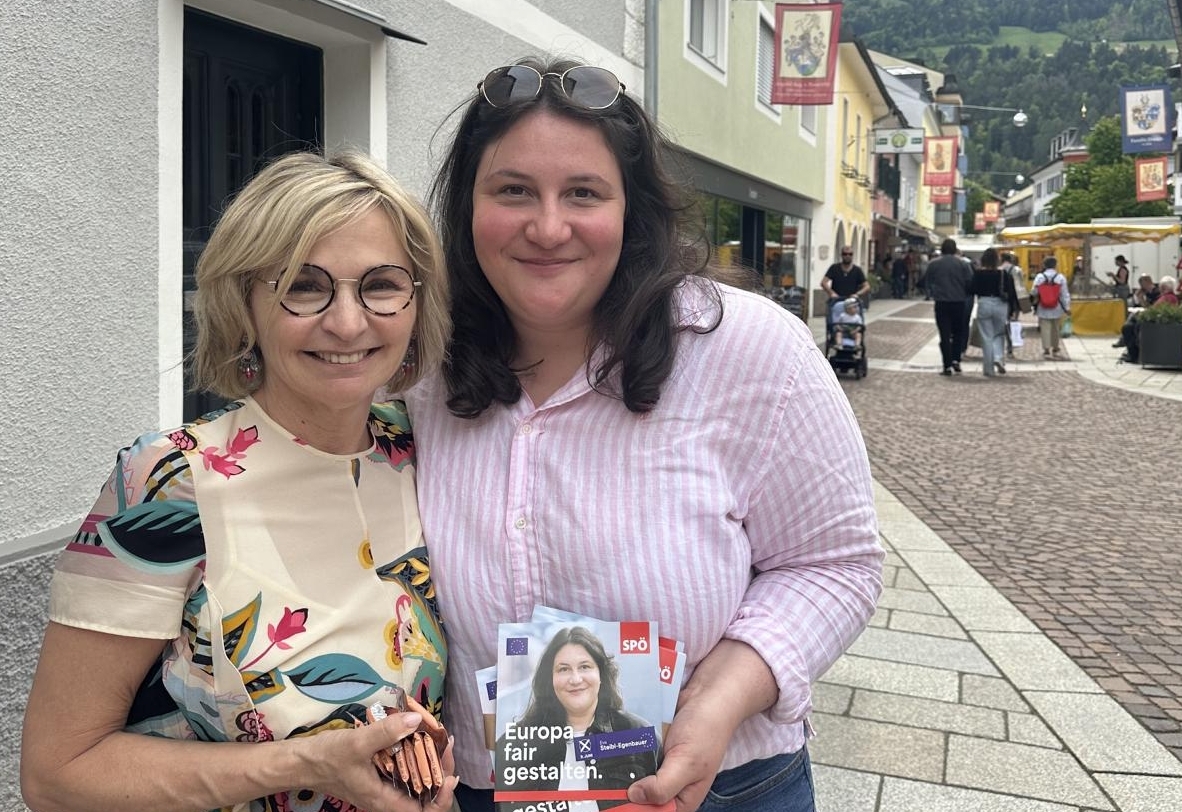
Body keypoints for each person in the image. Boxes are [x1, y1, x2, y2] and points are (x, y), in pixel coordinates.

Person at [405, 56, 883, 812]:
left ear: (633, 212)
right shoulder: (418, 366)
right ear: (467, 205)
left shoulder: (751, 351)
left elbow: (835, 565)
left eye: (585, 193)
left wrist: (726, 694)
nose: (548, 226)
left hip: (712, 784)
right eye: (513, 191)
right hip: (479, 789)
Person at [20, 151, 458, 812]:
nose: (346, 322)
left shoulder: (427, 451)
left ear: (417, 301)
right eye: (303, 286)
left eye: (382, 284)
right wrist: (304, 763)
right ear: (245, 304)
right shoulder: (166, 481)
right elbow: (56, 774)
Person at [495, 626, 656, 809]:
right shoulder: (513, 744)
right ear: (550, 679)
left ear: (601, 674)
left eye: (585, 667)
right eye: (563, 669)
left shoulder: (639, 734)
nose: (575, 679)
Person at [923, 238, 973, 375]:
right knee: (958, 332)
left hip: (942, 302)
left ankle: (946, 365)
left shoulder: (934, 264)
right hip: (959, 301)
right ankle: (956, 359)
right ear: (955, 249)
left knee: (944, 334)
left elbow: (926, 281)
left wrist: (932, 293)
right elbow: (969, 282)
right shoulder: (963, 264)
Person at [970, 248, 1019, 376]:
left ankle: (988, 369)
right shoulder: (1004, 274)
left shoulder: (978, 273)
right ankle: (998, 357)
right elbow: (1012, 292)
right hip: (1000, 305)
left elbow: (971, 289)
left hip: (984, 303)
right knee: (999, 334)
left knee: (987, 337)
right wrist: (1012, 310)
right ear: (997, 260)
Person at [1120, 276, 1179, 363]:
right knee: (1130, 322)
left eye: (1161, 286)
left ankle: (1132, 353)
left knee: (1128, 326)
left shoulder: (1168, 297)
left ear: (1164, 287)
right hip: (1153, 320)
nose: (1159, 287)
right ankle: (1129, 349)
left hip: (1154, 323)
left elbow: (1156, 310)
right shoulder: (1167, 297)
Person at [1032, 256, 1071, 360]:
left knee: (1045, 327)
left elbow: (1034, 291)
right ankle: (1055, 348)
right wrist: (1067, 307)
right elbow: (1064, 294)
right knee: (1055, 328)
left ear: (1044, 265)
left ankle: (1046, 349)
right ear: (1056, 265)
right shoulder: (1060, 277)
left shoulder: (1040, 277)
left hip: (1043, 305)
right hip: (1057, 305)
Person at [822, 245, 870, 318]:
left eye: (850, 254)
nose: (847, 256)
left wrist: (857, 294)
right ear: (841, 255)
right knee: (834, 322)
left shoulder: (857, 270)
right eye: (845, 254)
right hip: (837, 301)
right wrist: (832, 293)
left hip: (852, 302)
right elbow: (824, 282)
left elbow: (866, 286)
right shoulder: (834, 268)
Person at [1000, 252, 1028, 358]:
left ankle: (1001, 347)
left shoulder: (999, 269)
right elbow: (1021, 286)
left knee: (1002, 324)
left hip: (1002, 299)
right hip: (1015, 300)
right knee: (1013, 322)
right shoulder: (1017, 270)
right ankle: (1010, 348)